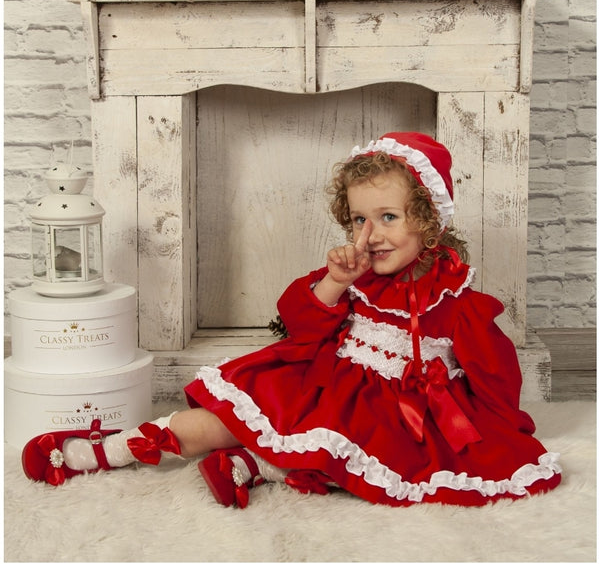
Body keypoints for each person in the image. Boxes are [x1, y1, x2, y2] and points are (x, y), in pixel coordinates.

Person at [22, 132, 562, 507]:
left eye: (388, 217)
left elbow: (494, 374)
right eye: (359, 219)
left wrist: (498, 425)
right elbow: (301, 323)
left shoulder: (460, 301)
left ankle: (252, 466)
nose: (370, 235)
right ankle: (104, 451)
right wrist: (335, 282)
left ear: (428, 219)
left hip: (396, 413)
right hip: (327, 382)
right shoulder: (357, 275)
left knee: (376, 467)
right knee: (221, 420)